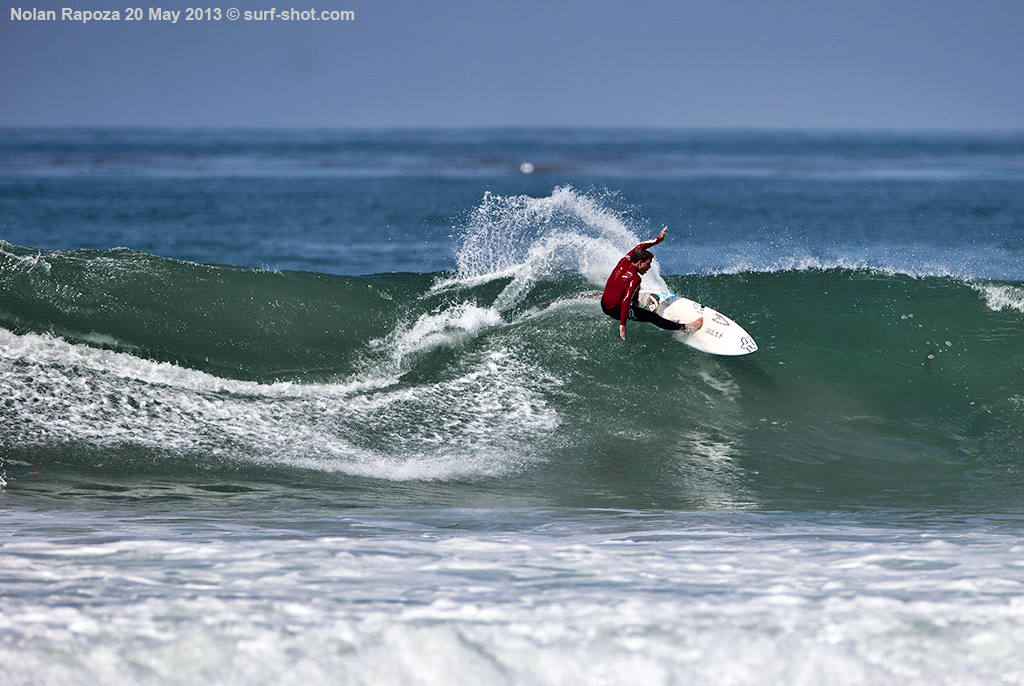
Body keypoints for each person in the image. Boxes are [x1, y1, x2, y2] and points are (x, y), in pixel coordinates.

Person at [601, 227, 703, 341]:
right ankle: (685, 328)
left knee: (634, 288)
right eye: (648, 264)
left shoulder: (625, 261)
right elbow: (625, 300)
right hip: (614, 311)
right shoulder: (634, 278)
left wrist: (658, 239)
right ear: (640, 262)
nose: (649, 267)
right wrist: (623, 325)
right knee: (651, 317)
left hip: (604, 303)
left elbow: (640, 246)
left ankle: (636, 304)